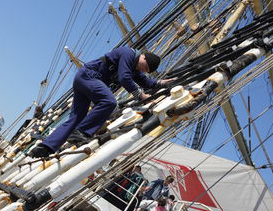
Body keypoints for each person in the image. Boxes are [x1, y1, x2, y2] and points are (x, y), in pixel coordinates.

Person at [30, 47, 173, 158]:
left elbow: (146, 81)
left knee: (77, 116)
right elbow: (124, 78)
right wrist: (140, 95)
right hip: (89, 77)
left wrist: (160, 83)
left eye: (146, 70)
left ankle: (45, 148)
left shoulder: (134, 67)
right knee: (110, 102)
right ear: (143, 57)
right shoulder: (128, 54)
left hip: (85, 80)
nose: (144, 70)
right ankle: (82, 132)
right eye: (145, 67)